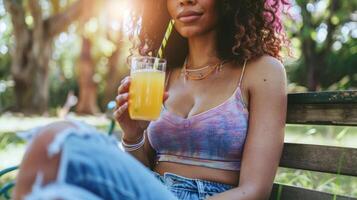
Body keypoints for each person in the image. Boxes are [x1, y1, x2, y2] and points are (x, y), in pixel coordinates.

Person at [13, 0, 289, 199]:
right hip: (151, 188)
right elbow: (143, 169)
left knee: (59, 137)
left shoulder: (260, 71)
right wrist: (133, 135)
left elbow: (254, 191)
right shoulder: (162, 74)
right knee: (59, 190)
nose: (185, 1)